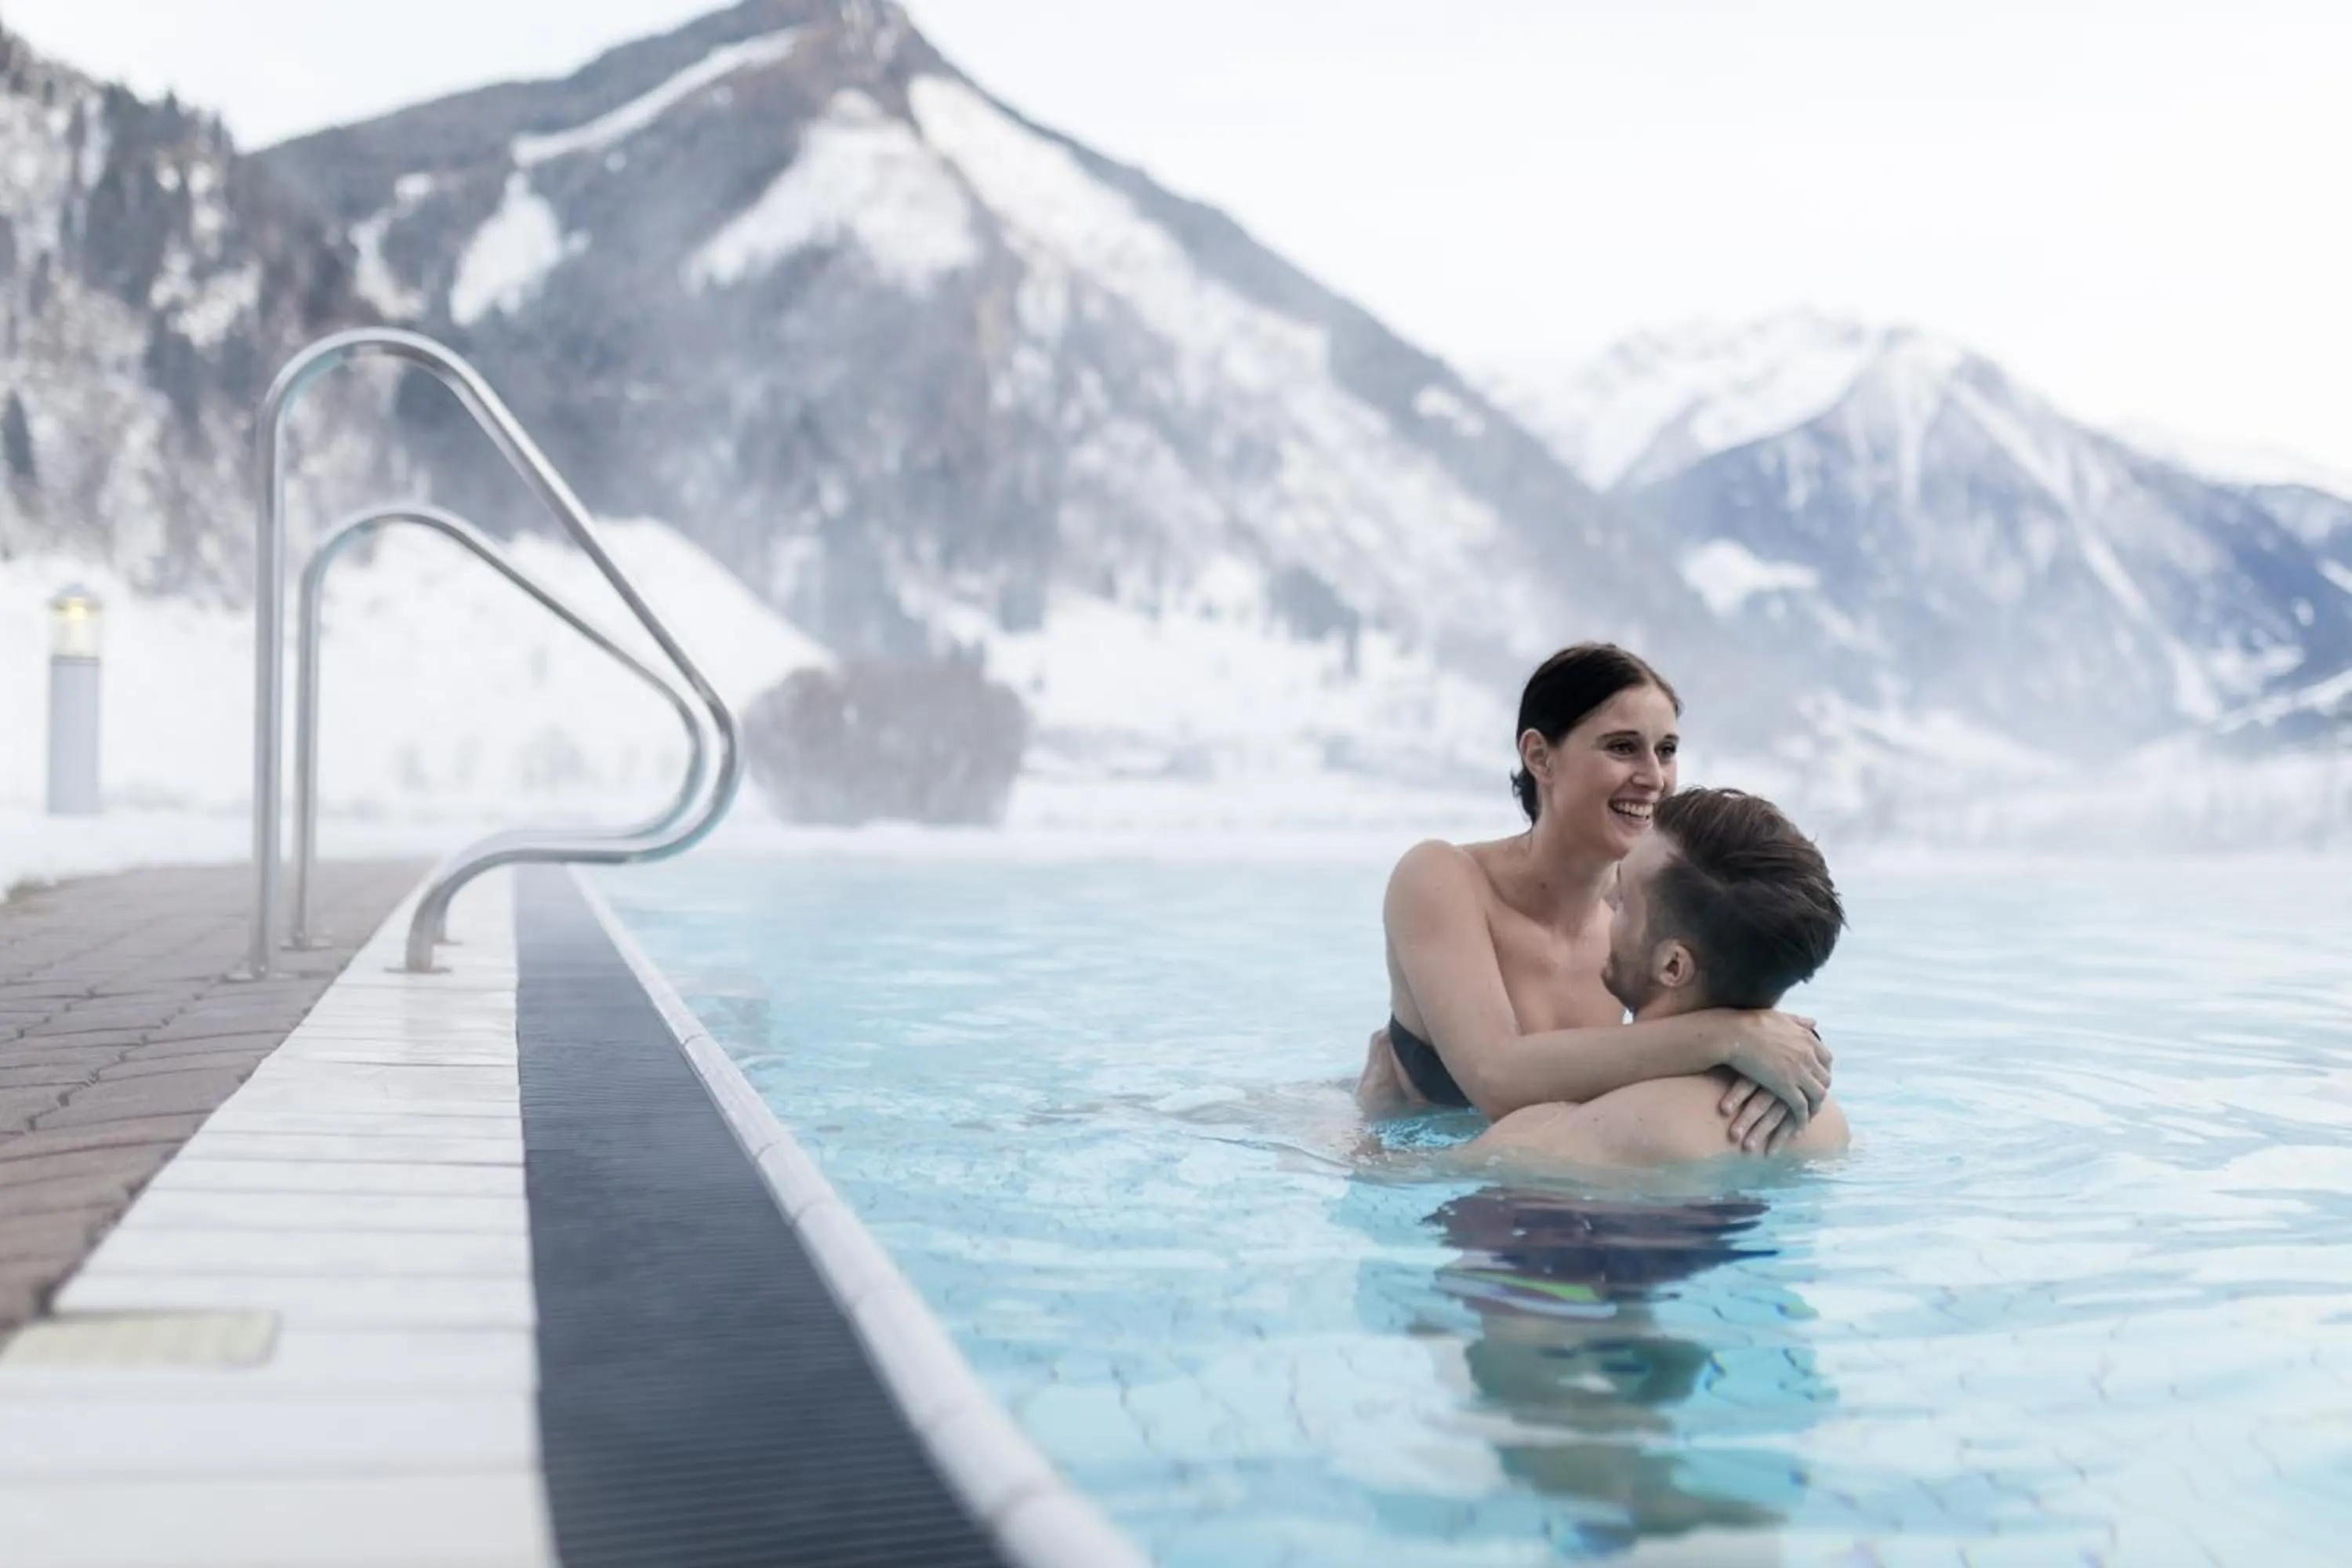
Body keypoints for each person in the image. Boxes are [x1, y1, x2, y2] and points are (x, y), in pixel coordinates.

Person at [1361, 644, 1831, 1154]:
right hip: (1408, 1173)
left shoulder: (1646, 917)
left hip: (1552, 1181)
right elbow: (1494, 1078)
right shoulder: (1443, 878)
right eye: (1623, 747)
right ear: (1540, 756)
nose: (1654, 777)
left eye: (1667, 750)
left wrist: (1787, 1064)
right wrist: (1730, 1037)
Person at [1465, 786, 1849, 1168]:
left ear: (1672, 967)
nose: (1608, 900)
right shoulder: (1825, 1126)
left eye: (1626, 900)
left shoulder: (1558, 1136)